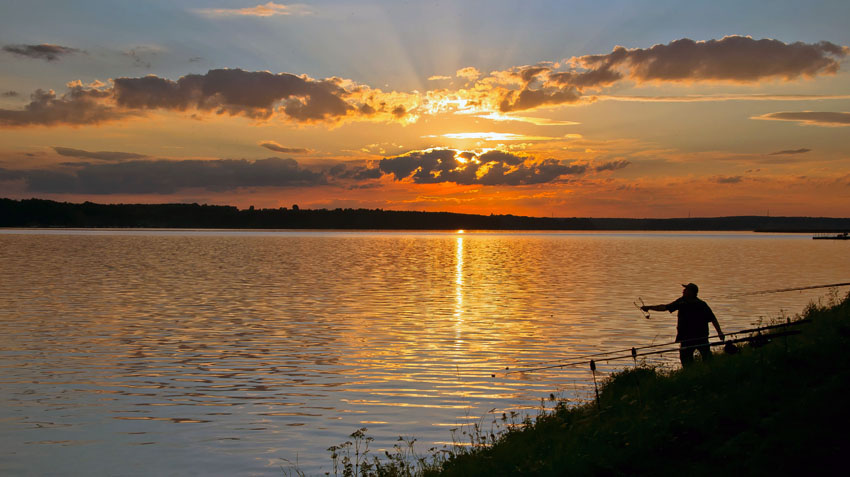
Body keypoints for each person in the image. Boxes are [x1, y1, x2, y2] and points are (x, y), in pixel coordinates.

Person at [641, 283, 725, 366]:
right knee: (686, 360)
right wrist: (649, 307)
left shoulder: (701, 304)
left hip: (700, 336)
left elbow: (712, 318)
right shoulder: (681, 302)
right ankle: (691, 375)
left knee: (707, 359)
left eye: (686, 289)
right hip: (686, 337)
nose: (683, 291)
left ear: (691, 292)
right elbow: (665, 307)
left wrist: (719, 332)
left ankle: (710, 372)